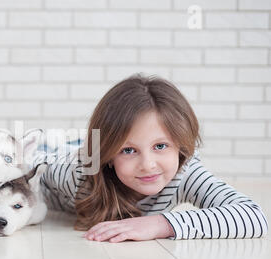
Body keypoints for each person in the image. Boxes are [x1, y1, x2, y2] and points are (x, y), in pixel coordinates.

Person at [32, 74, 268, 242]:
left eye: (161, 146)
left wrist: (160, 224)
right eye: (128, 150)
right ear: (108, 157)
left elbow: (253, 216)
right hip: (58, 150)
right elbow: (30, 167)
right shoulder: (79, 173)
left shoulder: (185, 173)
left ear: (180, 146)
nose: (148, 165)